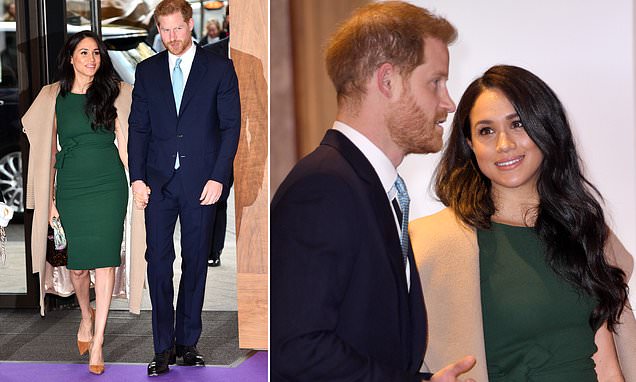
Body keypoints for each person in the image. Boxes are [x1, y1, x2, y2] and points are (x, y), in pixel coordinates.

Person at [271, 2, 476, 381]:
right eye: (435, 82)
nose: (447, 103)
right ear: (388, 81)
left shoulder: (363, 184)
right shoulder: (323, 188)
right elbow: (296, 350)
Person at [410, 65, 636, 381]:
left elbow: (608, 366)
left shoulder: (583, 229)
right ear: (470, 144)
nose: (504, 145)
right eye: (486, 131)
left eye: (517, 124)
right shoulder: (432, 243)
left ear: (547, 128)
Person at [127, 0, 240, 376]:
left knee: (196, 262)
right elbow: (138, 128)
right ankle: (162, 348)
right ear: (158, 30)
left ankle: (187, 343)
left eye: (178, 28)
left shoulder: (220, 68)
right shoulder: (147, 71)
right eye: (165, 30)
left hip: (201, 183)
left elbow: (230, 127)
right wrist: (137, 179)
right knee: (158, 264)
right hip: (157, 183)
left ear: (190, 25)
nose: (172, 37)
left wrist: (218, 176)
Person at [22, 30, 133, 375]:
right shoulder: (53, 96)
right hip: (71, 187)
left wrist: (141, 182)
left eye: (96, 53)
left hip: (109, 186)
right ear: (70, 58)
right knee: (78, 267)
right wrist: (50, 197)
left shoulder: (117, 92)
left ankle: (98, 340)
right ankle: (85, 315)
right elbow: (45, 148)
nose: (91, 59)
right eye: (84, 53)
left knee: (104, 262)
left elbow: (129, 141)